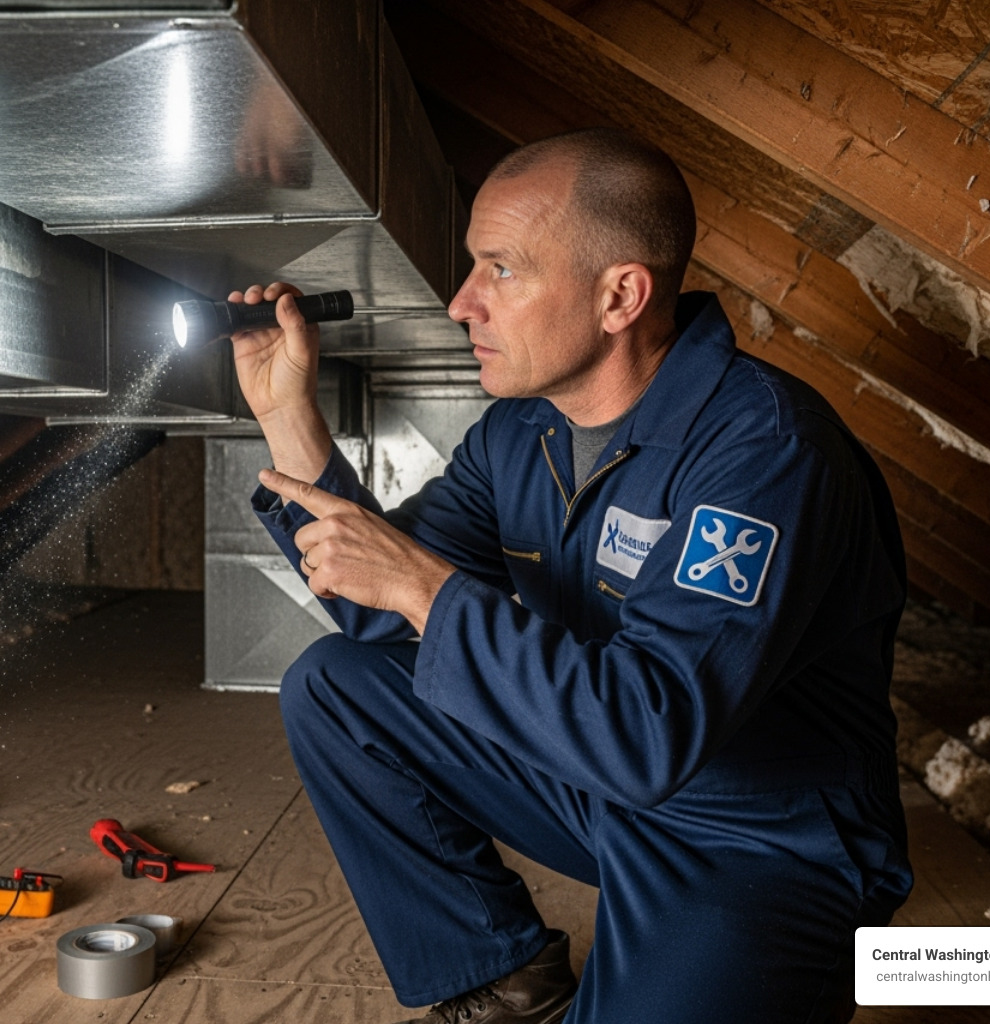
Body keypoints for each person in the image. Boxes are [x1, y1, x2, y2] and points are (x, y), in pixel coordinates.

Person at [226, 128, 912, 1024]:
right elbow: (380, 622)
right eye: (473, 269)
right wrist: (289, 420)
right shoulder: (521, 432)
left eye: (501, 270)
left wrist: (426, 587)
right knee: (339, 688)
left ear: (619, 294)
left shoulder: (765, 455)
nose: (462, 304)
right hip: (599, 783)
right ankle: (501, 981)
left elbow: (649, 732)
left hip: (761, 836)